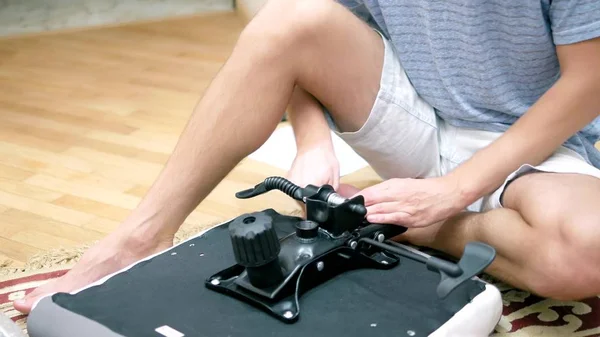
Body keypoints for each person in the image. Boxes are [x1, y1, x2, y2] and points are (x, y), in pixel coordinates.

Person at [14, 0, 600, 313]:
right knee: (288, 12)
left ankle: (409, 225)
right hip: (420, 116)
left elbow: (588, 82)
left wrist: (451, 193)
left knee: (586, 255)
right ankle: (140, 235)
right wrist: (312, 140)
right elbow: (308, 32)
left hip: (536, 138)